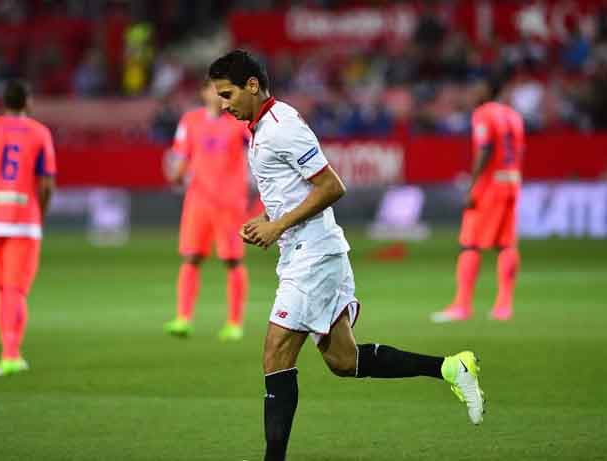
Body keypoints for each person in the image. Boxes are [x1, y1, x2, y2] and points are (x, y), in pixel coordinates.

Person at [208, 49, 485, 461]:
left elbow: (332, 186)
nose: (223, 105)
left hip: (313, 253)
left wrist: (278, 226)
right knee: (344, 360)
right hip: (306, 251)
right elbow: (297, 190)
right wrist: (267, 218)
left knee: (276, 351)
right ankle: (451, 368)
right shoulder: (263, 127)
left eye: (228, 95)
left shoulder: (282, 127)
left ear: (252, 85)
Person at [0, 80, 56, 376]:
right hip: (22, 219)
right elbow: (46, 183)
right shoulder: (40, 133)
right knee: (15, 291)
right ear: (27, 102)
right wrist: (39, 214)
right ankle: (10, 355)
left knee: (3, 290)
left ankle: (8, 352)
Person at [163, 79, 251, 341]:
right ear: (203, 92)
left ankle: (234, 323)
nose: (221, 94)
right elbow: (180, 157)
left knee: (232, 260)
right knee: (191, 257)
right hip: (198, 201)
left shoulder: (239, 121)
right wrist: (176, 175)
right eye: (215, 88)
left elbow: (260, 145)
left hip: (230, 203)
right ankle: (183, 318)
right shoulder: (190, 121)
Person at [431, 77, 524, 323]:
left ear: (487, 90)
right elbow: (519, 151)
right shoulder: (513, 116)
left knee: (470, 244)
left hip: (490, 184)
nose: (472, 93)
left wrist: (472, 186)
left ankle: (462, 305)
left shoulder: (483, 114)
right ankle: (504, 306)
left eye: (475, 88)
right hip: (512, 181)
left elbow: (485, 148)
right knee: (506, 244)